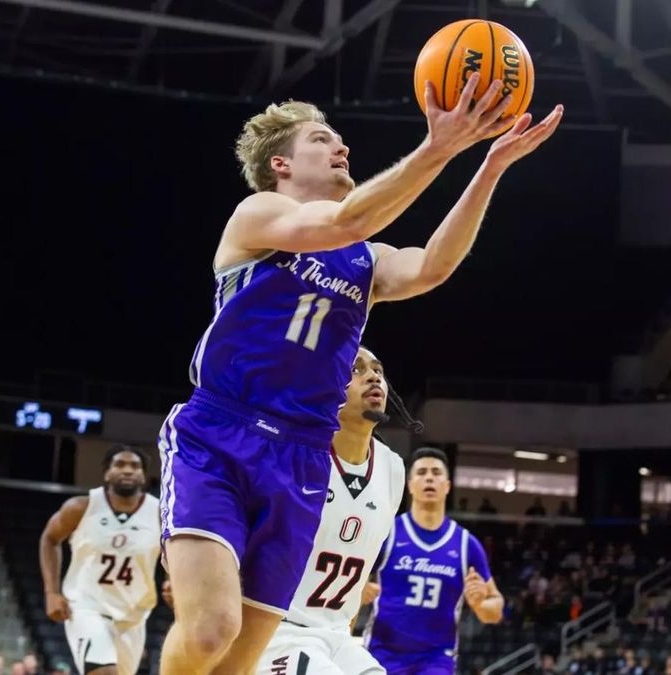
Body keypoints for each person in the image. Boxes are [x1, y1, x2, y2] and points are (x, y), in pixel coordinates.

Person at [157, 79, 564, 675]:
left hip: (301, 455)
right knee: (211, 630)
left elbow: (431, 266)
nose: (342, 148)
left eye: (341, 140)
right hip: (221, 432)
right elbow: (343, 221)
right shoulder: (260, 213)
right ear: (282, 164)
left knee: (238, 660)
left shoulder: (364, 259)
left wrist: (489, 166)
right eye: (324, 139)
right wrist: (438, 147)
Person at [253, 347, 406, 674]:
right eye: (356, 369)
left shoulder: (393, 469)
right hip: (277, 631)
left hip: (336, 638)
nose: (373, 376)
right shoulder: (293, 455)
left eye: (378, 370)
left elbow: (359, 569)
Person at [366, 448, 504, 673]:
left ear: (448, 485)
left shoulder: (466, 544)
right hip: (382, 651)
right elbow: (350, 585)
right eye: (421, 472)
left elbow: (495, 608)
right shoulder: (386, 532)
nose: (429, 477)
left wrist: (480, 605)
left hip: (436, 658)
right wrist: (359, 591)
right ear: (410, 485)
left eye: (436, 472)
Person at [40, 445, 160, 675]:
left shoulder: (159, 513)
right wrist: (51, 592)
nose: (127, 470)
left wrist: (173, 580)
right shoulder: (81, 507)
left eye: (135, 466)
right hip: (86, 607)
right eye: (120, 465)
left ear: (143, 475)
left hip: (133, 617)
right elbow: (50, 539)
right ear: (107, 473)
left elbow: (173, 553)